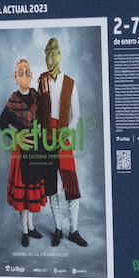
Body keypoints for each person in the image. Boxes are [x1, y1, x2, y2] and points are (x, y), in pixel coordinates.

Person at [36, 37, 88, 247]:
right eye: (47, 53)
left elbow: (77, 116)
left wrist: (68, 132)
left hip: (63, 139)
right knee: (51, 185)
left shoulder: (70, 83)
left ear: (59, 55)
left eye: (53, 53)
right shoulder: (41, 82)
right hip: (46, 140)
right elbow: (38, 113)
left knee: (71, 185)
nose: (50, 58)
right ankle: (58, 228)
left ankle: (73, 230)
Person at [0, 58, 47, 247]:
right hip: (21, 150)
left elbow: (43, 119)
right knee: (22, 190)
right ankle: (24, 231)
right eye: (20, 72)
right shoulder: (12, 102)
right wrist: (15, 137)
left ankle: (31, 227)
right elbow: (2, 124)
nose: (24, 76)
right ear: (15, 77)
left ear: (31, 75)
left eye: (27, 72)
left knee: (31, 190)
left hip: (36, 148)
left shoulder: (36, 98)